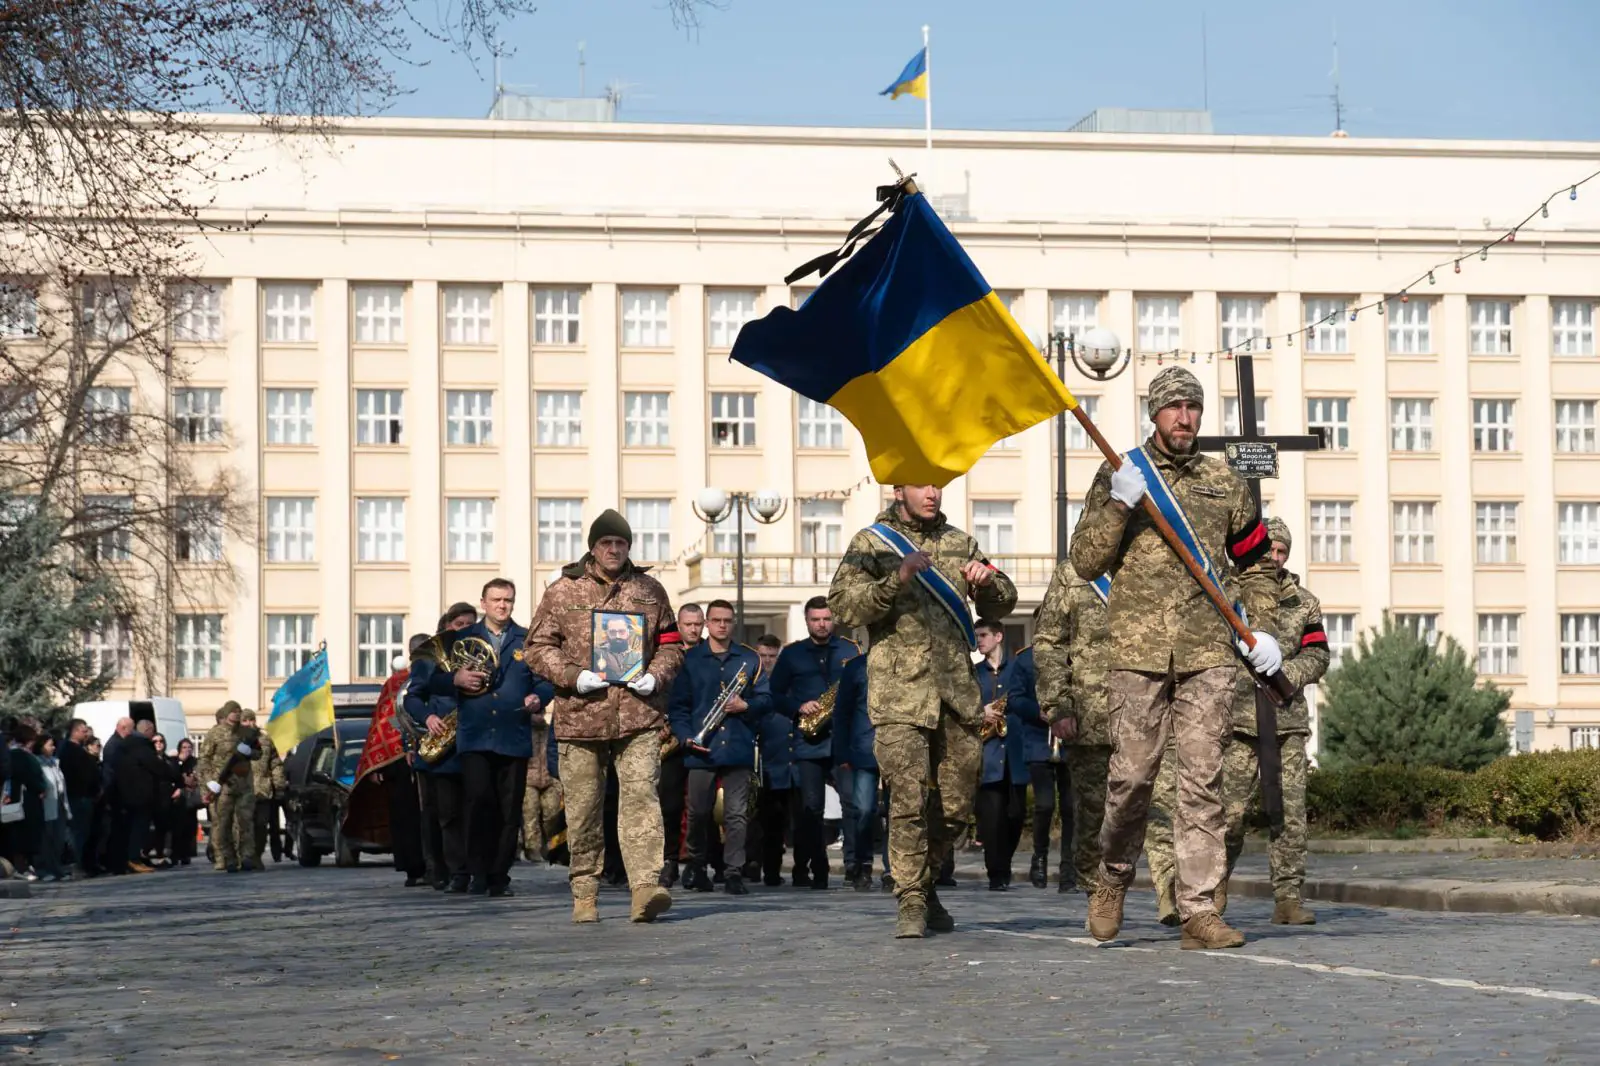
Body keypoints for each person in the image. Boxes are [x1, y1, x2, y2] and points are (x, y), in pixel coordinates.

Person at [1070, 366, 1280, 951]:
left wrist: (1261, 629)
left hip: (1207, 652)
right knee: (1132, 779)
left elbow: (1257, 562)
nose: (1184, 418)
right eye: (1173, 408)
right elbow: (1085, 563)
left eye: (1192, 407)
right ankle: (1111, 878)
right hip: (1137, 653)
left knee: (1201, 779)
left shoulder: (1227, 483)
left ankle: (1199, 909)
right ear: (1154, 414)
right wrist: (1117, 505)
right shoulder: (1121, 472)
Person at [828, 482, 1018, 938]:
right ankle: (910, 897)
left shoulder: (959, 542)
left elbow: (1004, 600)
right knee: (908, 800)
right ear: (899, 490)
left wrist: (987, 581)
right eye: (921, 485)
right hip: (899, 693)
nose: (932, 493)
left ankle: (924, 881)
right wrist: (897, 578)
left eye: (937, 485)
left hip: (956, 691)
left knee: (956, 804)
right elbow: (843, 606)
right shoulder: (871, 543)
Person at [524, 508, 684, 924]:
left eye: (620, 543)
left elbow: (671, 643)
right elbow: (537, 647)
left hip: (639, 715)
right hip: (581, 717)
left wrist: (657, 674)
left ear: (629, 547)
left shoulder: (650, 590)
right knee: (583, 808)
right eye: (606, 543)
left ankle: (645, 888)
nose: (614, 550)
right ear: (592, 548)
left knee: (641, 801)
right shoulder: (562, 590)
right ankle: (585, 893)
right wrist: (573, 677)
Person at [1217, 517, 1330, 926]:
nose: (1275, 558)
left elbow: (1319, 654)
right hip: (1239, 721)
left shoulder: (1304, 602)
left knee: (1290, 813)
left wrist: (1288, 674)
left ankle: (1288, 897)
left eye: (1281, 551)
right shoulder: (1229, 594)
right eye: (1270, 550)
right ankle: (1210, 896)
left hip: (1287, 720)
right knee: (1228, 815)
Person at [412, 578, 552, 898]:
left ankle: (499, 875)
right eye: (497, 600)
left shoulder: (527, 639)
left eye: (508, 600)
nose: (503, 605)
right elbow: (431, 682)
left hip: (513, 735)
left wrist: (538, 698)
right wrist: (455, 678)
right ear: (484, 603)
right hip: (474, 736)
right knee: (477, 804)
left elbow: (544, 682)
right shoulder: (461, 638)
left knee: (509, 809)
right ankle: (476, 872)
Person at [668, 599, 770, 896]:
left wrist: (746, 704)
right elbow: (679, 706)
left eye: (727, 620)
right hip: (702, 749)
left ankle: (733, 871)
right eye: (716, 620)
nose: (722, 625)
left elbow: (766, 700)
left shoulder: (749, 660)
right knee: (698, 813)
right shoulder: (691, 660)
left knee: (736, 814)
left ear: (733, 623)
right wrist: (686, 736)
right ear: (707, 623)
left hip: (737, 746)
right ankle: (697, 866)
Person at [1034, 570, 1114, 899]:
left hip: (1151, 713)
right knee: (1092, 813)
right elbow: (1049, 643)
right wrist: (1059, 707)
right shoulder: (1073, 573)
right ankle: (1095, 890)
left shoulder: (1154, 555)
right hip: (1092, 717)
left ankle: (1176, 899)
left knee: (1163, 807)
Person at [769, 596, 858, 890]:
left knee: (853, 805)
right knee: (810, 810)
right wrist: (798, 707)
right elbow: (775, 695)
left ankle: (855, 866)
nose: (821, 624)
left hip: (843, 741)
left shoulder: (850, 650)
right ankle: (810, 868)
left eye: (826, 618)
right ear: (807, 621)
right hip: (808, 741)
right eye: (815, 619)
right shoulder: (792, 654)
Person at [410, 614, 472, 892]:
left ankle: (476, 869)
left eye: (470, 623)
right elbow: (412, 697)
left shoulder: (481, 652)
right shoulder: (429, 660)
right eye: (459, 625)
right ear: (447, 628)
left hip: (475, 740)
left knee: (478, 810)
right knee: (446, 815)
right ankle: (453, 871)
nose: (465, 629)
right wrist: (428, 718)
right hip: (444, 746)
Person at [973, 620, 1030, 891]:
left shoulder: (1018, 669)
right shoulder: (974, 674)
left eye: (983, 636)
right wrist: (980, 711)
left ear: (998, 636)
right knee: (991, 818)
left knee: (1016, 815)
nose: (979, 641)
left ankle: (1003, 863)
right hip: (988, 753)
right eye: (977, 636)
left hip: (1016, 752)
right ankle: (997, 873)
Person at [657, 602, 703, 888]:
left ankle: (699, 863)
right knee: (669, 805)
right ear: (679, 624)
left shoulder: (710, 655)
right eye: (688, 624)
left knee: (702, 808)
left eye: (698, 624)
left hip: (702, 736)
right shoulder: (666, 655)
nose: (693, 629)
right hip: (671, 739)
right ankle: (669, 861)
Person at [831, 650, 880, 892]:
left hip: (900, 750)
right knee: (863, 810)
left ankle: (896, 871)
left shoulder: (906, 661)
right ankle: (862, 863)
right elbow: (842, 713)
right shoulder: (856, 667)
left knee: (899, 813)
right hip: (864, 749)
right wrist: (842, 753)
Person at [749, 634, 795, 886]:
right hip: (757, 758)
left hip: (782, 759)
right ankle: (757, 865)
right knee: (757, 819)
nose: (767, 661)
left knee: (781, 818)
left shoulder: (785, 684)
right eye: (763, 656)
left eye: (771, 656)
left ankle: (776, 869)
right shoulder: (749, 680)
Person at [199, 702, 259, 873]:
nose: (236, 714)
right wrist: (209, 782)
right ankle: (228, 858)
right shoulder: (215, 733)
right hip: (223, 785)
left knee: (245, 821)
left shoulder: (248, 732)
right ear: (226, 714)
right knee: (223, 823)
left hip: (244, 784)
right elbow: (204, 759)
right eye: (233, 711)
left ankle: (246, 856)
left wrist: (250, 752)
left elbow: (258, 753)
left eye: (239, 711)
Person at [111, 721, 168, 875]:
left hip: (124, 794)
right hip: (140, 795)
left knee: (129, 829)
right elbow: (157, 767)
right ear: (148, 730)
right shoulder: (141, 746)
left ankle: (127, 860)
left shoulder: (122, 746)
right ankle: (133, 859)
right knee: (138, 828)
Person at [242, 710, 289, 868]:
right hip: (241, 792)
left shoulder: (266, 741)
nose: (250, 723)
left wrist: (279, 786)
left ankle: (256, 855)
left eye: (252, 720)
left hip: (263, 791)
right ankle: (243, 855)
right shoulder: (235, 741)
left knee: (261, 826)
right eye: (245, 720)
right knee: (243, 826)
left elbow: (275, 764)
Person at [522, 699, 565, 865]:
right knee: (530, 815)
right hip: (529, 778)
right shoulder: (526, 731)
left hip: (549, 777)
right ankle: (533, 850)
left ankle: (550, 846)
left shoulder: (549, 730)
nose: (539, 717)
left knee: (552, 813)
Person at [59, 719, 101, 877]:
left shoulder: (77, 749)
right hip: (78, 796)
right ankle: (76, 864)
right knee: (77, 833)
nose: (86, 734)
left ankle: (83, 864)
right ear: (75, 731)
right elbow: (79, 776)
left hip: (85, 796)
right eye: (83, 731)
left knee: (83, 832)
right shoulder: (70, 750)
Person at [5, 723, 46, 879]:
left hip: (28, 799)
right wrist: (40, 787)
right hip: (25, 800)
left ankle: (27, 866)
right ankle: (22, 867)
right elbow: (28, 776)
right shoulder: (19, 755)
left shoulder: (20, 754)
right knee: (23, 834)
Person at [33, 735, 69, 881]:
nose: (53, 748)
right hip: (46, 804)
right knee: (46, 839)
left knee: (58, 839)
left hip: (59, 803)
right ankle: (43, 869)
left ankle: (57, 869)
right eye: (50, 745)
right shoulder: (37, 762)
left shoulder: (55, 763)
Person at [167, 737, 200, 867]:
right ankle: (175, 854)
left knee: (190, 828)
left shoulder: (194, 762)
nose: (187, 750)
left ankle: (186, 854)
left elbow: (196, 778)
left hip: (190, 799)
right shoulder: (174, 762)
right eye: (184, 747)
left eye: (189, 747)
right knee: (176, 828)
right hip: (177, 800)